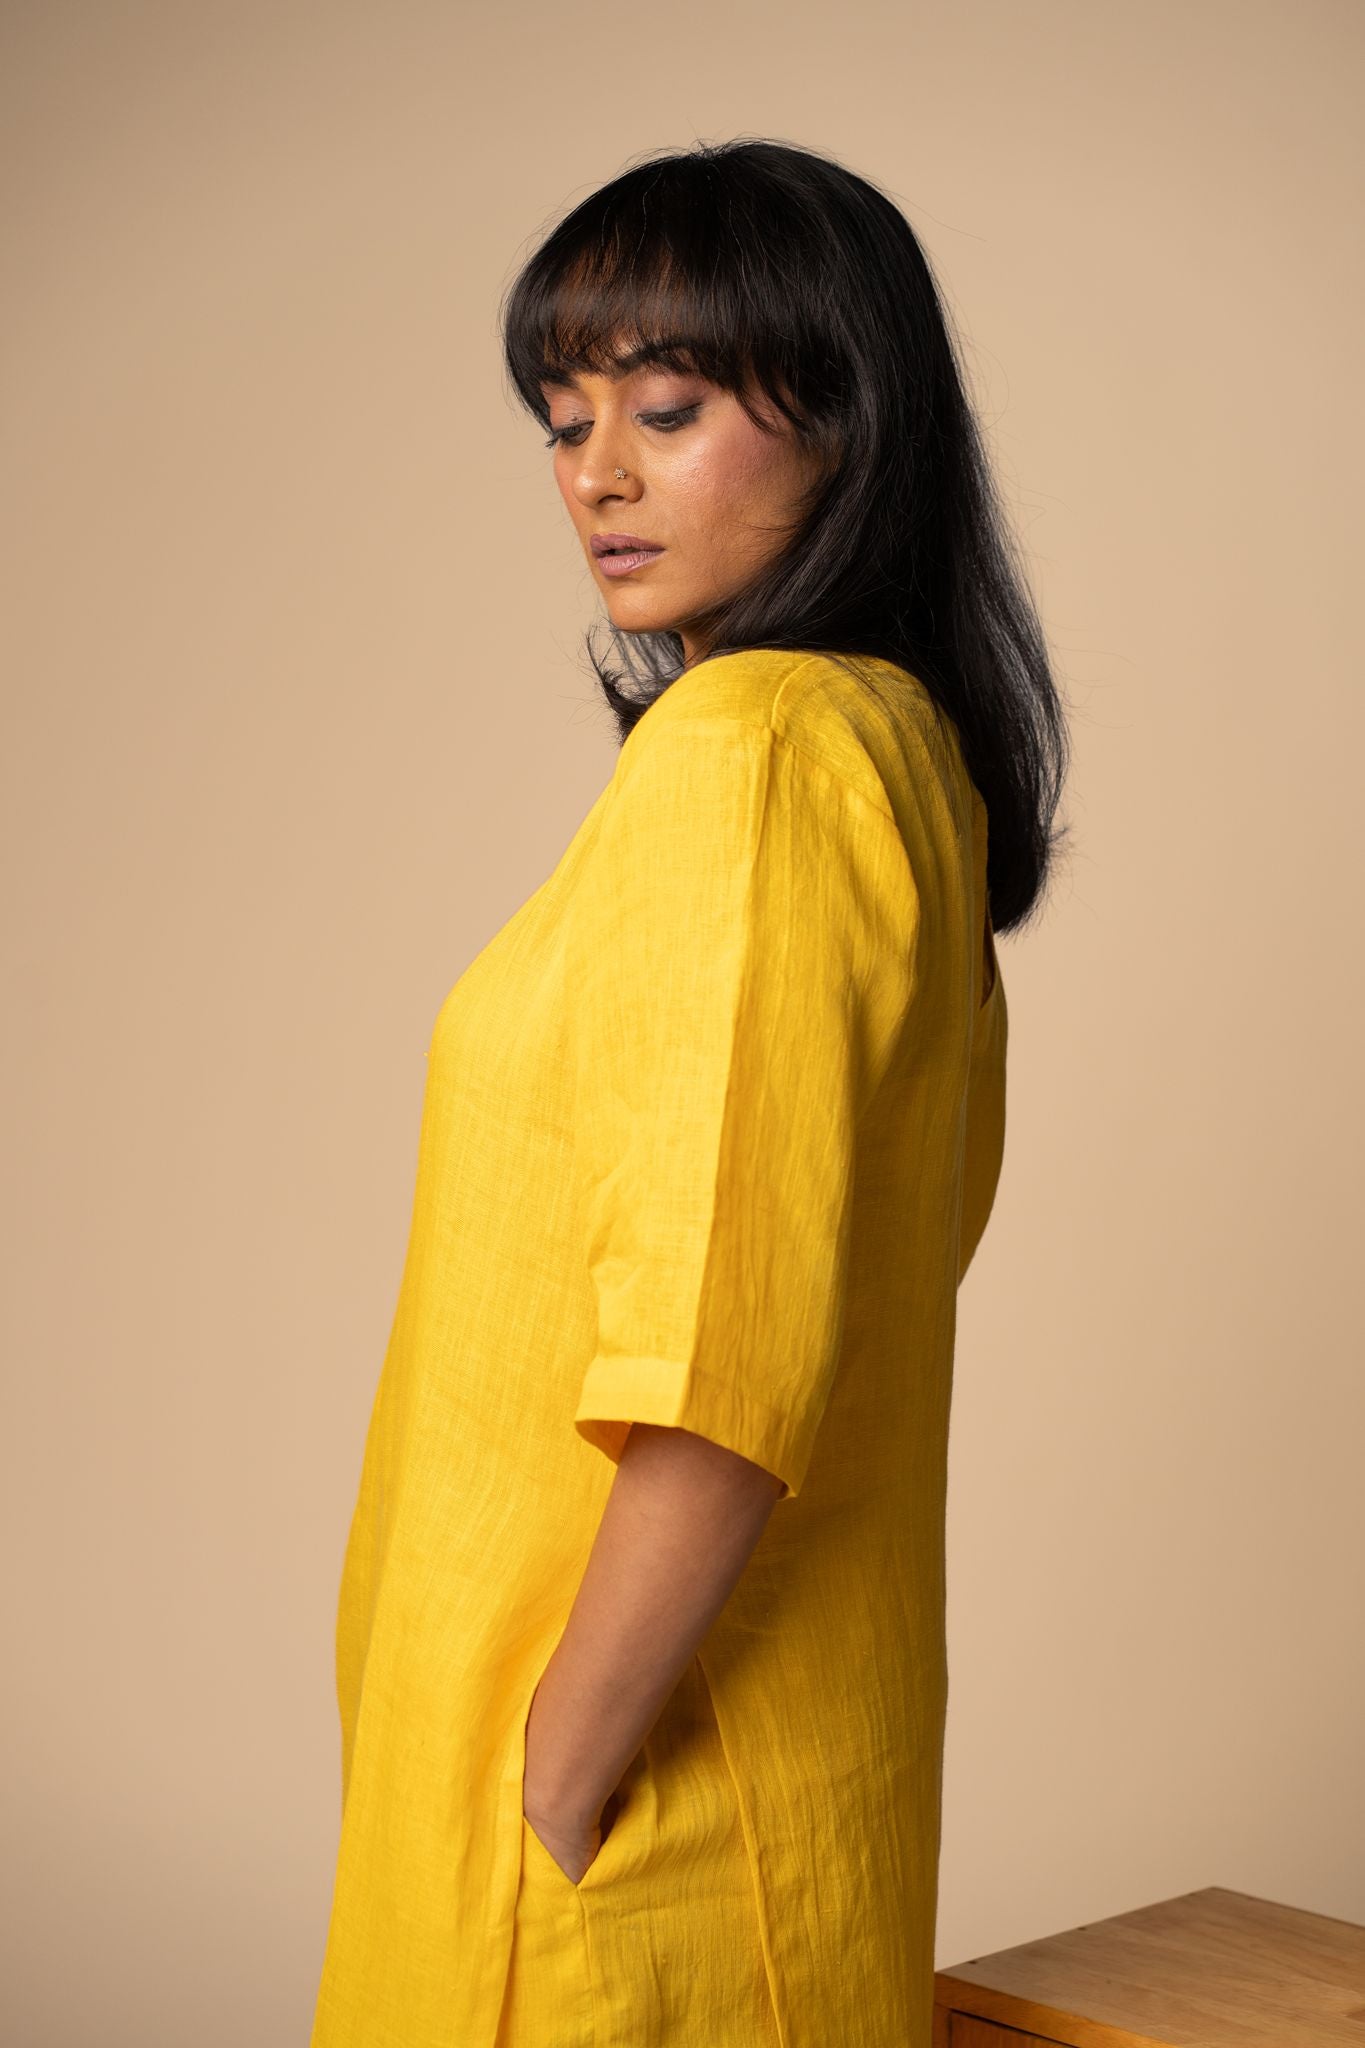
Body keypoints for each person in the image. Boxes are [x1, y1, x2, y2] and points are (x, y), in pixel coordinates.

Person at [309, 136, 1069, 2048]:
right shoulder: (891, 756)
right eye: (564, 420)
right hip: (751, 1819)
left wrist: (553, 1786)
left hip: (622, 1852)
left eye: (665, 409)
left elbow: (720, 1365)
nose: (597, 474)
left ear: (848, 417)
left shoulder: (760, 754)